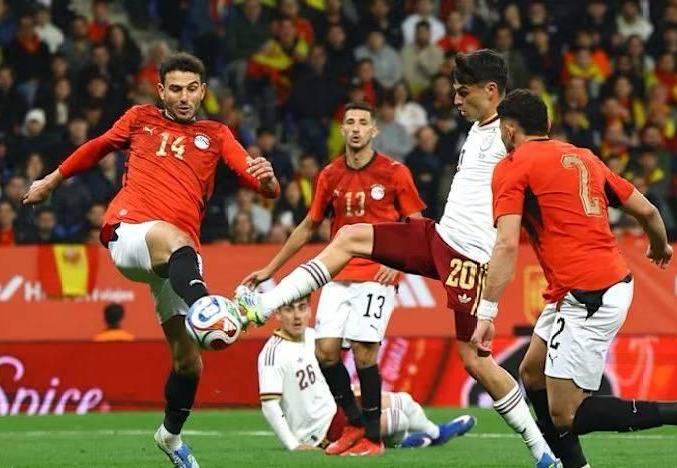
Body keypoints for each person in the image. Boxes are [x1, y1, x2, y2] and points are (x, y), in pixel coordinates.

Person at [237, 50, 560, 468]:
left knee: (476, 362)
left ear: (491, 90)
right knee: (350, 235)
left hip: (469, 261)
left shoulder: (509, 134)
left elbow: (542, 168)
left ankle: (542, 452)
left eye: (463, 92)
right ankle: (264, 306)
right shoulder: (479, 128)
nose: (455, 100)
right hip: (439, 237)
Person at [22, 52, 280, 468]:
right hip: (129, 231)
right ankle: (208, 306)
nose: (183, 97)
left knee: (188, 362)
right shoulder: (139, 118)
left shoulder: (216, 134)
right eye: (175, 89)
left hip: (177, 260)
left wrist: (268, 182)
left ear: (203, 92)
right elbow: (98, 147)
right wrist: (52, 180)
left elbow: (255, 178)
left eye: (191, 89)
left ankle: (170, 436)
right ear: (161, 91)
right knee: (175, 240)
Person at [478, 89, 677, 468]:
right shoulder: (583, 157)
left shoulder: (513, 166)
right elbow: (648, 210)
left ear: (509, 130)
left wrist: (486, 311)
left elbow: (507, 244)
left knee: (567, 414)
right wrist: (661, 246)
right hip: (590, 284)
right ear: (546, 124)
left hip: (588, 293)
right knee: (532, 372)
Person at [243, 101, 425, 456]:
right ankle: (355, 423)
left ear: (374, 130)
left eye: (363, 123)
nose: (356, 128)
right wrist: (270, 269)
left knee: (363, 351)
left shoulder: (394, 172)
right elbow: (308, 226)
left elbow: (418, 226)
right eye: (350, 122)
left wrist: (401, 264)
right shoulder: (330, 175)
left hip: (377, 274)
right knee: (325, 352)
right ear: (342, 131)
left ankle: (373, 437)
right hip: (336, 271)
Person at [258, 295, 475, 451]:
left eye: (302, 307)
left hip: (337, 408)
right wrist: (293, 445)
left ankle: (436, 434)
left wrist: (350, 391)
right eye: (289, 309)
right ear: (278, 313)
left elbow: (322, 380)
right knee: (397, 419)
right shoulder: (272, 354)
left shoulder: (312, 335)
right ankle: (400, 444)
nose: (297, 316)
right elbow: (269, 405)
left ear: (309, 310)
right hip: (320, 430)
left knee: (403, 401)